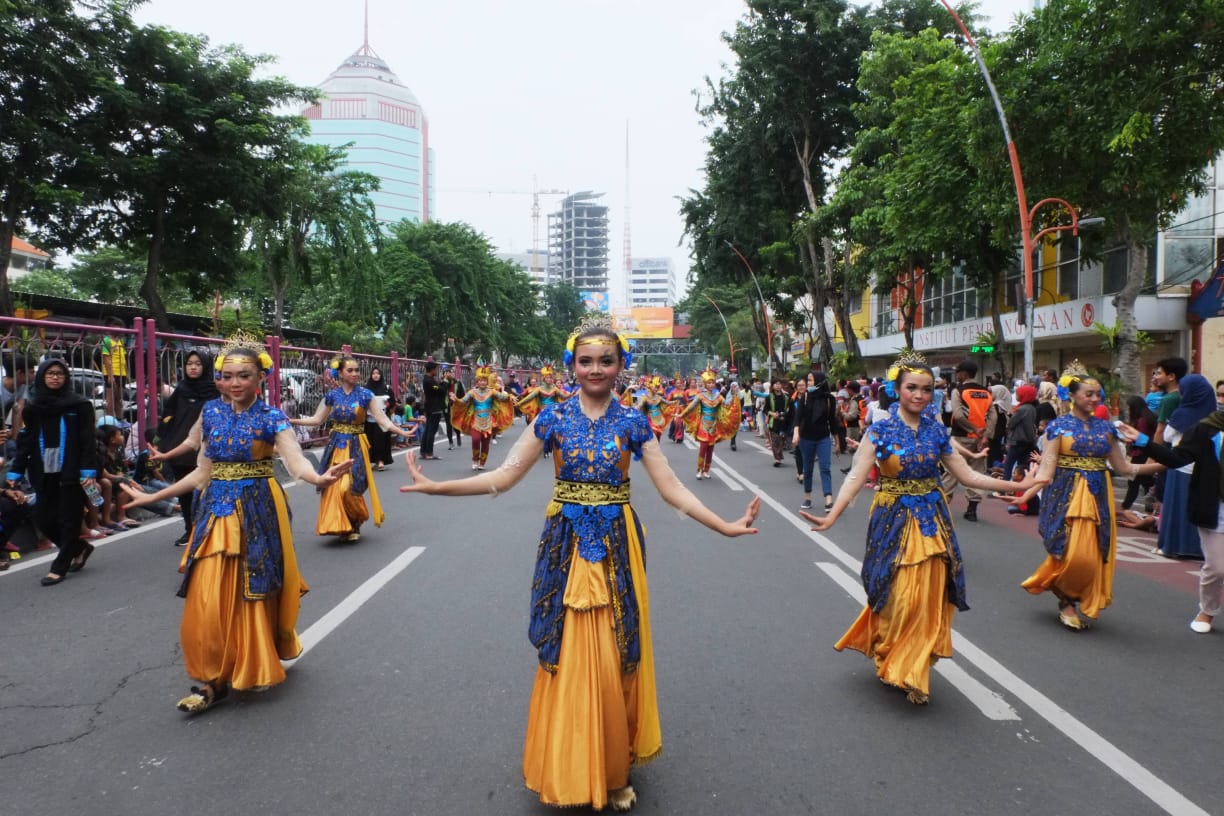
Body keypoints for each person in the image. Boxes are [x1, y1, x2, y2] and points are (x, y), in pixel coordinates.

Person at [398, 316, 760, 809]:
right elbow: (503, 477)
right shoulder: (551, 419)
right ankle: (569, 761)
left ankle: (612, 767)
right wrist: (438, 487)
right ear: (572, 365)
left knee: (616, 654)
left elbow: (671, 488)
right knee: (566, 653)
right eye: (585, 360)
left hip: (617, 544)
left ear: (620, 366)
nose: (595, 369)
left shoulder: (634, 421)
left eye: (605, 360)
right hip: (565, 547)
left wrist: (723, 525)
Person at [121, 337, 351, 713]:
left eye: (244, 375)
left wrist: (320, 479)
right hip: (214, 512)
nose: (235, 383)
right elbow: (200, 474)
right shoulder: (210, 412)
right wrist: (150, 498)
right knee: (206, 596)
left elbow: (295, 463)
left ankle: (251, 660)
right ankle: (212, 678)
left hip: (259, 508)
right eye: (227, 376)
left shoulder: (271, 417)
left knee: (253, 590)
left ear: (260, 376)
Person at [802, 351, 1039, 704]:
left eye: (927, 389)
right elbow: (855, 475)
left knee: (927, 596)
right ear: (897, 389)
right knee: (897, 596)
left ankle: (913, 668)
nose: (920, 395)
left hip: (932, 521)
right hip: (892, 518)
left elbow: (969, 475)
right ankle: (889, 649)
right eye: (912, 387)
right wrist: (832, 514)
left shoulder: (936, 430)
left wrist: (1020, 486)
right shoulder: (880, 429)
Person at [1011, 361, 1134, 630]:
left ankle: (1068, 597)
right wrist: (1024, 495)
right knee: (1072, 553)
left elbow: (1124, 468)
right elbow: (1046, 470)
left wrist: (1167, 460)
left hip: (1098, 494)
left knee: (1091, 554)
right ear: (1072, 396)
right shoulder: (1058, 428)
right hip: (1065, 495)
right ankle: (1065, 598)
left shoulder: (1107, 429)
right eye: (1088, 394)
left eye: (1097, 395)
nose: (1094, 399)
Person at [1120, 406, 1224, 633]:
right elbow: (1176, 459)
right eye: (1221, 395)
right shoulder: (1206, 428)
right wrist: (1142, 440)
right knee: (1217, 568)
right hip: (1214, 507)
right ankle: (1207, 610)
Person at [290, 355, 413, 543]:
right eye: (350, 370)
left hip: (356, 445)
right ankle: (339, 525)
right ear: (340, 373)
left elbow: (382, 419)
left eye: (357, 370)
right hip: (336, 444)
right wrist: (291, 420)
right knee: (332, 484)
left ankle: (355, 521)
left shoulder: (365, 395)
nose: (355, 373)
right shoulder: (332, 395)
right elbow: (317, 420)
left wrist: (401, 432)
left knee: (349, 487)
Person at [7, 358, 102, 586]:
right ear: (42, 377)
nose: (55, 377)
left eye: (59, 373)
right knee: (43, 518)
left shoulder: (79, 405)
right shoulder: (33, 407)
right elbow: (26, 441)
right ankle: (79, 548)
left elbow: (88, 440)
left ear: (66, 377)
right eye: (50, 373)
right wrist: (15, 472)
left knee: (69, 520)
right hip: (43, 470)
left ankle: (59, 567)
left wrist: (88, 471)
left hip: (72, 468)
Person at [158, 350, 219, 545]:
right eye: (189, 363)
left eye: (198, 364)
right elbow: (167, 417)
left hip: (205, 450)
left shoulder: (215, 391)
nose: (193, 367)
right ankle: (190, 529)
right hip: (180, 449)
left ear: (206, 366)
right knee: (184, 493)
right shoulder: (181, 390)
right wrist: (164, 442)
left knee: (205, 491)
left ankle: (209, 529)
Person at [1152, 374, 1215, 558]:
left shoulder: (1183, 412)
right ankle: (1197, 548)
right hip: (1204, 467)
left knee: (1177, 508)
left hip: (1180, 465)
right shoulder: (1212, 413)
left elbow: (1167, 436)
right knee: (1197, 507)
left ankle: (1175, 545)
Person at [941, 360, 996, 521]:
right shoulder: (986, 392)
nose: (957, 375)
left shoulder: (959, 391)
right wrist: (985, 436)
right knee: (977, 472)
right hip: (981, 441)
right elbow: (992, 417)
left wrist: (973, 429)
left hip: (961, 437)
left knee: (952, 470)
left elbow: (958, 415)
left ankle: (942, 507)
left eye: (958, 372)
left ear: (964, 374)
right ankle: (972, 510)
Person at [450, 361, 515, 470]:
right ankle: (475, 459)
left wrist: (510, 396)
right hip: (476, 421)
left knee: (485, 443)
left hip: (489, 421)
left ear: (487, 381)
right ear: (477, 381)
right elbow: (463, 402)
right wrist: (456, 399)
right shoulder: (472, 392)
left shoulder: (492, 392)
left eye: (484, 380)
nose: (482, 383)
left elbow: (502, 397)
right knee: (475, 440)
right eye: (480, 380)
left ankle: (482, 463)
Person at [677, 369, 740, 480]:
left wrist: (734, 395)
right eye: (709, 383)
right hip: (703, 425)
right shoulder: (700, 396)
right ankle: (699, 470)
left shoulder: (718, 396)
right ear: (705, 384)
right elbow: (691, 406)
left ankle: (706, 470)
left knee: (710, 449)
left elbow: (727, 405)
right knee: (703, 447)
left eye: (712, 382)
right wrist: (682, 414)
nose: (711, 384)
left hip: (714, 426)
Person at [791, 371, 838, 511]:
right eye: (808, 380)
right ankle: (807, 498)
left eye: (810, 380)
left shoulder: (829, 399)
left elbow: (832, 421)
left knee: (825, 468)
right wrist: (796, 434)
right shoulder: (804, 397)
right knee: (808, 468)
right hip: (806, 438)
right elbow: (797, 419)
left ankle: (828, 500)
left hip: (823, 437)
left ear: (819, 381)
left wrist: (837, 441)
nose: (808, 383)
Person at [1120, 395, 1157, 512]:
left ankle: (1125, 507)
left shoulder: (1142, 420)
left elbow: (1139, 437)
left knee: (1135, 482)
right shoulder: (1149, 417)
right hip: (1145, 453)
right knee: (1143, 482)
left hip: (1140, 454)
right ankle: (1147, 506)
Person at [364, 367, 398, 472]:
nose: (375, 375)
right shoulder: (366, 389)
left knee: (381, 440)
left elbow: (393, 402)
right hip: (369, 419)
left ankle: (380, 461)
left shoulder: (386, 388)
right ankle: (371, 461)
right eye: (373, 373)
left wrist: (387, 404)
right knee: (370, 441)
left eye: (378, 373)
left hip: (382, 419)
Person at [419, 361, 448, 460]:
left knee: (428, 430)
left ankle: (424, 452)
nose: (437, 371)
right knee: (431, 430)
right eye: (436, 369)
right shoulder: (429, 381)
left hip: (431, 407)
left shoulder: (430, 379)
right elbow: (441, 390)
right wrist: (444, 381)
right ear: (432, 370)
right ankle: (429, 453)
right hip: (434, 407)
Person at [764, 379, 791, 466]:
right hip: (773, 422)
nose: (778, 385)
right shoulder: (769, 397)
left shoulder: (786, 397)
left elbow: (789, 409)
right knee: (775, 440)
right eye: (776, 384)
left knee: (781, 440)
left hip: (784, 421)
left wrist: (785, 414)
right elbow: (765, 409)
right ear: (773, 386)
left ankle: (779, 455)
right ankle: (777, 459)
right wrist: (772, 413)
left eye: (779, 384)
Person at [443, 366, 465, 450]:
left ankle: (458, 435)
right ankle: (450, 442)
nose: (450, 374)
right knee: (449, 424)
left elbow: (462, 395)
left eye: (452, 372)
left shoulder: (458, 383)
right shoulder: (443, 383)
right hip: (447, 407)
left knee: (455, 424)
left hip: (456, 407)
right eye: (448, 373)